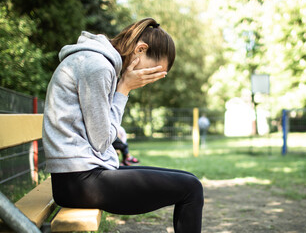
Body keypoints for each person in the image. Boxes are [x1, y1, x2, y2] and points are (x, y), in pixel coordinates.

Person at [43, 18, 203, 233]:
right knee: (191, 189)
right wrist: (124, 89)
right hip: (77, 180)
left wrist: (122, 88)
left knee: (190, 180)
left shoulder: (98, 62)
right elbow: (101, 141)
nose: (149, 79)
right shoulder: (97, 66)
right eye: (152, 71)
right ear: (140, 49)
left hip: (81, 174)